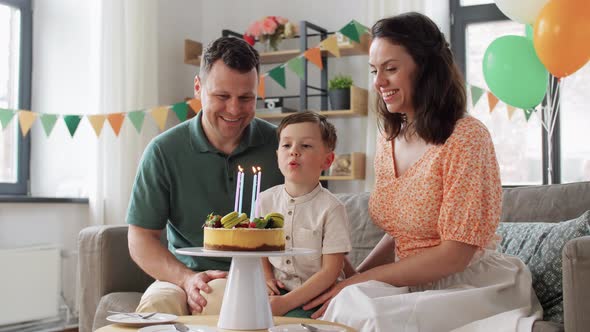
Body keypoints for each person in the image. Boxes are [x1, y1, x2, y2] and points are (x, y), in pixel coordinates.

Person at [303, 12, 542, 331]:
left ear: (426, 69)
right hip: (409, 278)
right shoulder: (388, 138)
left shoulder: (466, 137)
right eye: (374, 70)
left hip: (466, 284)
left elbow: (454, 255)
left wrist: (358, 283)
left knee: (369, 314)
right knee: (346, 304)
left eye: (390, 69)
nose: (378, 83)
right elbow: (403, 230)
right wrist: (352, 279)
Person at [126, 36, 284, 316]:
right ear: (198, 88)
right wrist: (186, 279)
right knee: (154, 309)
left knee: (225, 305)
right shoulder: (164, 151)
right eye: (222, 96)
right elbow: (141, 238)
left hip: (262, 279)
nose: (234, 109)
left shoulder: (282, 146)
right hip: (181, 276)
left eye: (246, 98)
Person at [257, 111, 352, 317]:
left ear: (327, 161)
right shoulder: (264, 200)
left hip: (319, 296)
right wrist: (266, 278)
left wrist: (284, 303)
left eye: (306, 146)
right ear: (277, 155)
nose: (294, 152)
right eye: (286, 145)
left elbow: (331, 271)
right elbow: (260, 248)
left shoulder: (332, 208)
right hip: (278, 290)